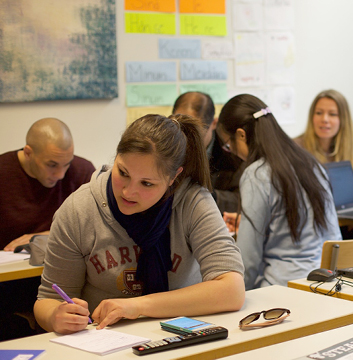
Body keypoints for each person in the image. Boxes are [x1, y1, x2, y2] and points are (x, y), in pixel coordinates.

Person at [34, 114, 245, 335]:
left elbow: (232, 289)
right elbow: (48, 300)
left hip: (181, 337)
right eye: (123, 173)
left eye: (147, 183)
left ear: (173, 178)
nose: (128, 192)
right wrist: (54, 316)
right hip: (105, 341)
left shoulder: (193, 202)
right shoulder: (79, 209)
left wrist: (138, 306)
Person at [216, 94, 342, 290]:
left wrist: (235, 293)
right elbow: (334, 237)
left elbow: (248, 261)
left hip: (281, 290)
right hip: (325, 284)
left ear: (241, 135)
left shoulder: (256, 174)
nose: (231, 151)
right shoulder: (310, 162)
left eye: (228, 145)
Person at [0, 117, 95, 251]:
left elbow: (98, 225)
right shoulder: (3, 173)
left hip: (66, 264)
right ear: (28, 153)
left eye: (67, 164)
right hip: (12, 268)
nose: (60, 175)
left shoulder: (83, 171)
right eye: (51, 165)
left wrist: (53, 235)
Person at [172, 91, 244, 213]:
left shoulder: (233, 153)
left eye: (196, 133)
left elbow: (242, 201)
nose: (186, 139)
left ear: (214, 123)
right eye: (180, 127)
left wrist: (208, 196)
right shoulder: (163, 145)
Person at [294, 89, 353, 193]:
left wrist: (339, 192)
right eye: (319, 113)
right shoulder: (295, 148)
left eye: (332, 114)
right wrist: (346, 191)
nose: (324, 119)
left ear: (343, 120)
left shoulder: (343, 150)